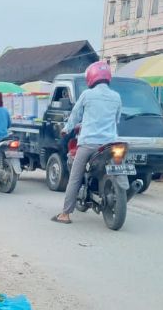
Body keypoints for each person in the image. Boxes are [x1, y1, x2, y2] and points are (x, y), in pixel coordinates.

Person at [52, 61, 122, 224]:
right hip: (111, 144)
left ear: (91, 77)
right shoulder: (116, 96)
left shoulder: (87, 95)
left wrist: (66, 129)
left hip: (89, 143)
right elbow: (116, 119)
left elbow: (75, 115)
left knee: (75, 177)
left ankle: (65, 214)